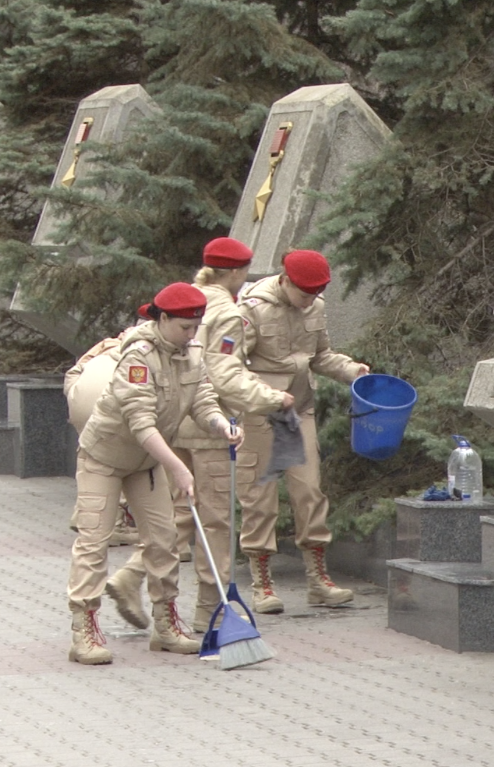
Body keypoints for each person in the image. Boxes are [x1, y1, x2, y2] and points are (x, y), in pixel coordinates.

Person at [104, 238, 294, 633]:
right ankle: (212, 609)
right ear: (238, 272)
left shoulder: (186, 301)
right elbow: (224, 374)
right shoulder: (225, 312)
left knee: (179, 516)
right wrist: (271, 397)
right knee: (216, 522)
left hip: (174, 423)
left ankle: (134, 575)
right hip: (211, 428)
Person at [67, 283, 243, 665]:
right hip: (105, 457)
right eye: (184, 327)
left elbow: (201, 397)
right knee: (94, 543)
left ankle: (166, 627)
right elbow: (141, 423)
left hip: (144, 464)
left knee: (164, 542)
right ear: (162, 319)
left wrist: (219, 424)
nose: (191, 335)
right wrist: (178, 467)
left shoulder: (191, 352)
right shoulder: (138, 356)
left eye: (196, 327)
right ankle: (84, 630)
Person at [238, 249, 369, 613]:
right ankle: (262, 584)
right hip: (262, 413)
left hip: (300, 409)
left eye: (316, 293)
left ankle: (318, 580)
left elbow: (321, 355)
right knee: (259, 496)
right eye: (304, 293)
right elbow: (231, 367)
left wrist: (351, 370)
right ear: (286, 279)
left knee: (309, 491)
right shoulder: (253, 309)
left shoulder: (316, 307)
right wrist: (264, 395)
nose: (309, 299)